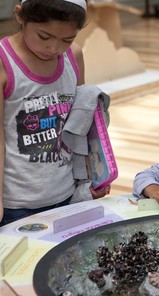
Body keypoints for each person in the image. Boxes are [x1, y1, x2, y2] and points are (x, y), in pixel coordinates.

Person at [0, 0, 108, 226]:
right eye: (44, 36)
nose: (54, 49)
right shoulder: (4, 62)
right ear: (20, 16)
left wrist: (90, 178)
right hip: (15, 205)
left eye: (67, 39)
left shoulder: (74, 56)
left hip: (67, 195)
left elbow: (81, 123)